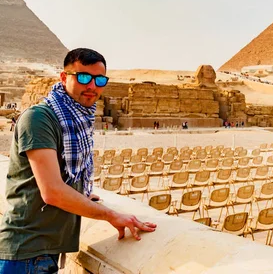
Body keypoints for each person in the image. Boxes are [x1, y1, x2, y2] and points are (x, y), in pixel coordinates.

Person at [0, 48, 156, 273]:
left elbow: (63, 173)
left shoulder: (78, 119)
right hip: (26, 253)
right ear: (64, 77)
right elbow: (52, 191)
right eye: (83, 77)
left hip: (43, 252)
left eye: (99, 80)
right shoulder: (39, 119)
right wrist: (110, 215)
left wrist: (79, 191)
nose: (92, 86)